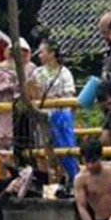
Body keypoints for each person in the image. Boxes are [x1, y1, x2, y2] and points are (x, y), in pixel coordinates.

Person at [35, 39, 78, 181]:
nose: (39, 55)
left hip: (60, 116)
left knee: (64, 150)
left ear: (52, 53)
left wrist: (54, 98)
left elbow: (70, 94)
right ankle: (47, 181)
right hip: (42, 116)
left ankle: (68, 179)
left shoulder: (64, 72)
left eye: (42, 52)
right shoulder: (38, 72)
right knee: (43, 151)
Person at [0, 38, 37, 150]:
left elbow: (34, 84)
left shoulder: (31, 67)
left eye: (23, 52)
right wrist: (13, 81)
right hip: (5, 105)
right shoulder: (2, 66)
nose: (20, 55)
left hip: (23, 107)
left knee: (23, 139)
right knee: (4, 140)